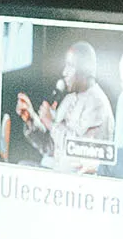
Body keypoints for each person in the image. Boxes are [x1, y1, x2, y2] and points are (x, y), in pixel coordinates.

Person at [16, 40, 114, 173]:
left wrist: (51, 124)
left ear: (84, 69)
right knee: (21, 166)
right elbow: (52, 148)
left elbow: (81, 150)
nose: (64, 72)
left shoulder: (98, 103)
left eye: (70, 66)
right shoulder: (69, 99)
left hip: (77, 186)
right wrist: (31, 119)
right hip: (58, 175)